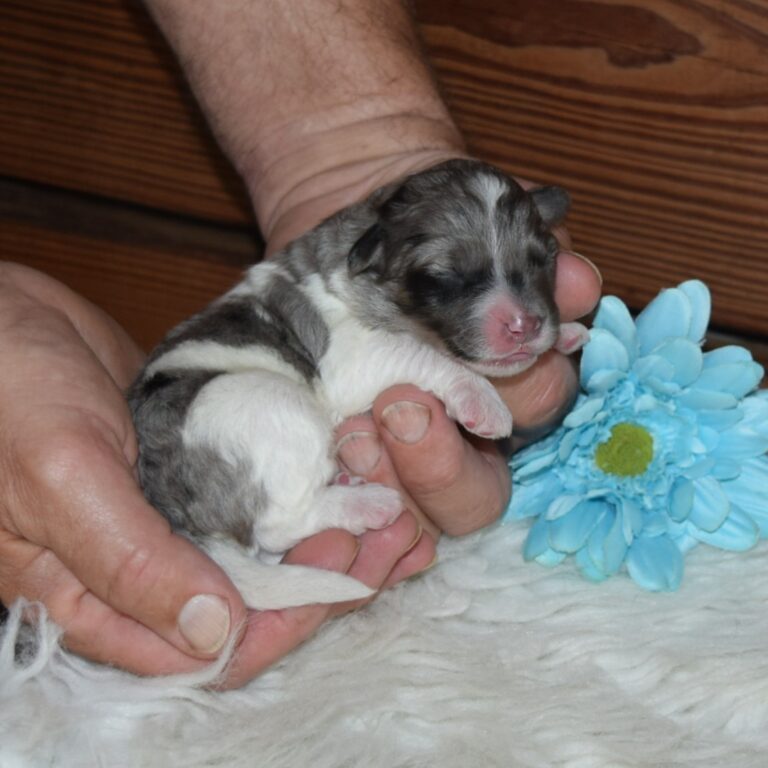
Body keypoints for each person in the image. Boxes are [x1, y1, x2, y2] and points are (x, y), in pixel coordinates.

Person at [0, 0, 601, 689]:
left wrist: (360, 142)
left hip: (215, 442)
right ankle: (290, 520)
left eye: (532, 269)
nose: (521, 311)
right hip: (203, 425)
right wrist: (460, 383)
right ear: (366, 262)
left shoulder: (355, 281)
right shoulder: (323, 298)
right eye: (450, 279)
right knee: (276, 408)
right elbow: (359, 373)